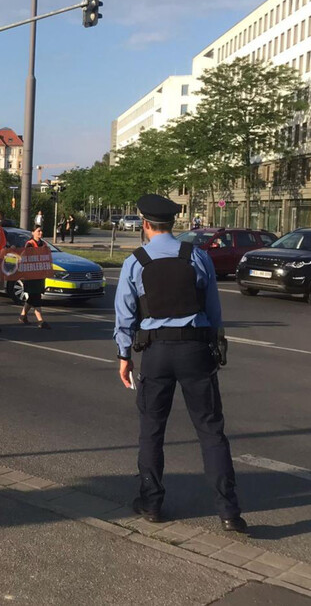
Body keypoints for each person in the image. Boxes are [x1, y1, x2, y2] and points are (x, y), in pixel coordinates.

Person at [114, 193, 245, 533]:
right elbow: (213, 310)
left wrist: (124, 355)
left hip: (156, 354)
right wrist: (216, 345)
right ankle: (229, 511)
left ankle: (152, 502)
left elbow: (125, 315)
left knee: (152, 430)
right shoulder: (197, 257)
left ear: (145, 225)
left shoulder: (135, 262)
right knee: (211, 430)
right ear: (173, 224)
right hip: (195, 350)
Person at [18, 225, 50, 329]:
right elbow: (26, 258)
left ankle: (22, 316)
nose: (40, 233)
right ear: (33, 232)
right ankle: (40, 321)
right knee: (36, 297)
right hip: (31, 276)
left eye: (41, 231)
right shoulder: (30, 244)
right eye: (38, 231)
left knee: (33, 297)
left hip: (40, 275)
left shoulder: (44, 244)